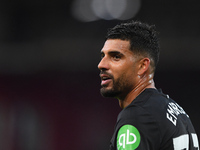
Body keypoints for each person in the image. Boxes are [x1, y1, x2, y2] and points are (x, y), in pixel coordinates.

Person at [98, 20, 199, 150]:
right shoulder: (175, 111)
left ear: (142, 66)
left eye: (116, 57)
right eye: (103, 56)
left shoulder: (138, 115)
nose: (102, 64)